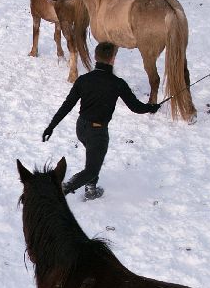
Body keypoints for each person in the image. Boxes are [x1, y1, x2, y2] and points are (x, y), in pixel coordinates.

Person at [41, 43, 161, 199]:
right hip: (98, 133)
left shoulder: (83, 80)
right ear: (112, 59)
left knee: (93, 159)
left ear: (96, 57)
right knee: (92, 169)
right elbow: (136, 107)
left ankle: (91, 188)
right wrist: (151, 107)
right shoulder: (117, 83)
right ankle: (59, 191)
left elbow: (67, 106)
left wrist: (51, 127)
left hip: (81, 128)